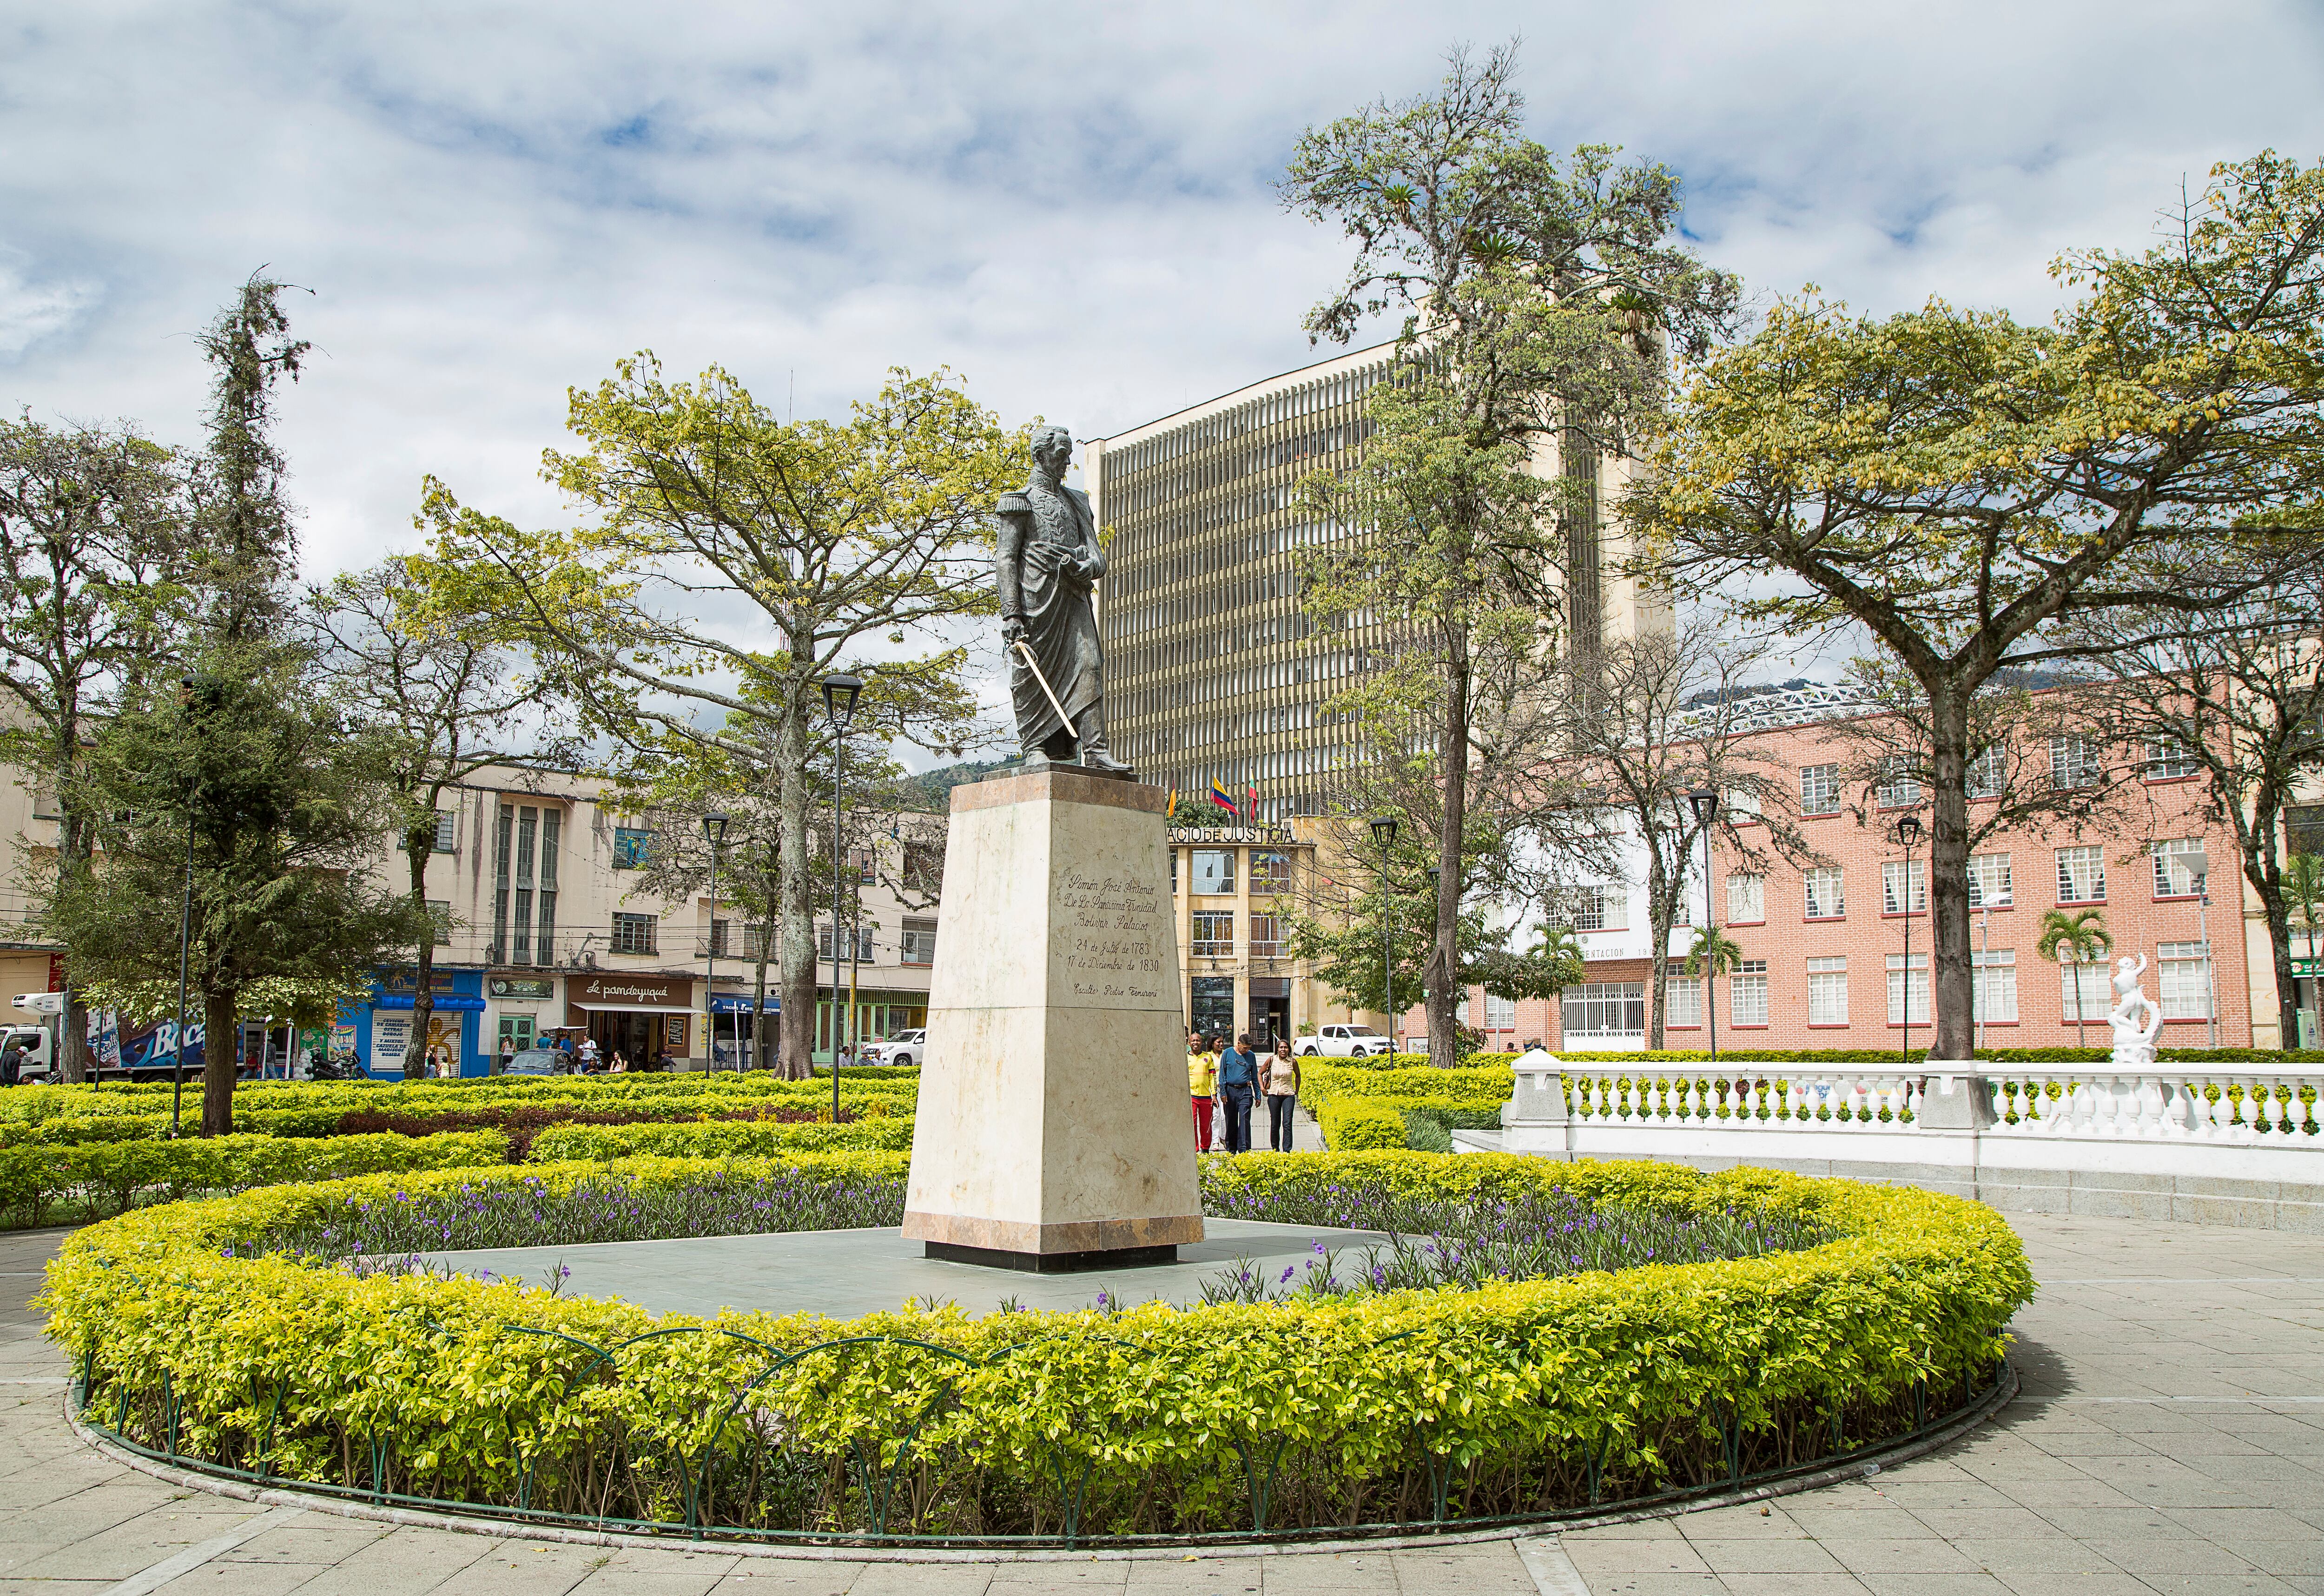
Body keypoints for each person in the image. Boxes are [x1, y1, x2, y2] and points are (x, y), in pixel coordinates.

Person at [1216, 1032, 1260, 1154]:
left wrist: (1258, 1095)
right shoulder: (1228, 1053)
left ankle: (1244, 1148)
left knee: (1245, 1119)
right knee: (1231, 1120)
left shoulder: (1251, 1056)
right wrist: (1223, 1093)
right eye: (1245, 1048)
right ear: (1238, 1044)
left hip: (1245, 1090)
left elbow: (1255, 1077)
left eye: (1249, 1048)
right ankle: (1231, 1148)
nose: (1247, 1050)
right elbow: (1222, 1075)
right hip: (1230, 1091)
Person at [1262, 1036, 1301, 1153]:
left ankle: (1287, 1150)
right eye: (1281, 1048)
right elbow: (1260, 1073)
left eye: (1285, 1048)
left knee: (1287, 1123)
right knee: (1275, 1123)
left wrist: (1297, 1091)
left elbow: (1298, 1076)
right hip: (1274, 1094)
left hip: (1288, 1095)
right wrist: (1262, 1088)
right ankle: (1275, 1148)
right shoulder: (1272, 1060)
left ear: (1289, 1049)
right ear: (1277, 1049)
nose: (1283, 1050)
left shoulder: (1293, 1062)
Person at [1188, 1034, 1218, 1152]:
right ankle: (1194, 1149)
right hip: (1191, 1097)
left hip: (1206, 1097)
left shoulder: (1208, 1057)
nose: (1196, 1042)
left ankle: (1205, 1148)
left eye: (1198, 1040)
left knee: (1206, 1125)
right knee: (1193, 1124)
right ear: (1189, 1043)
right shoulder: (1185, 1057)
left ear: (1202, 1042)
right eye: (1193, 1040)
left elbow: (1213, 1077)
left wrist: (1214, 1095)